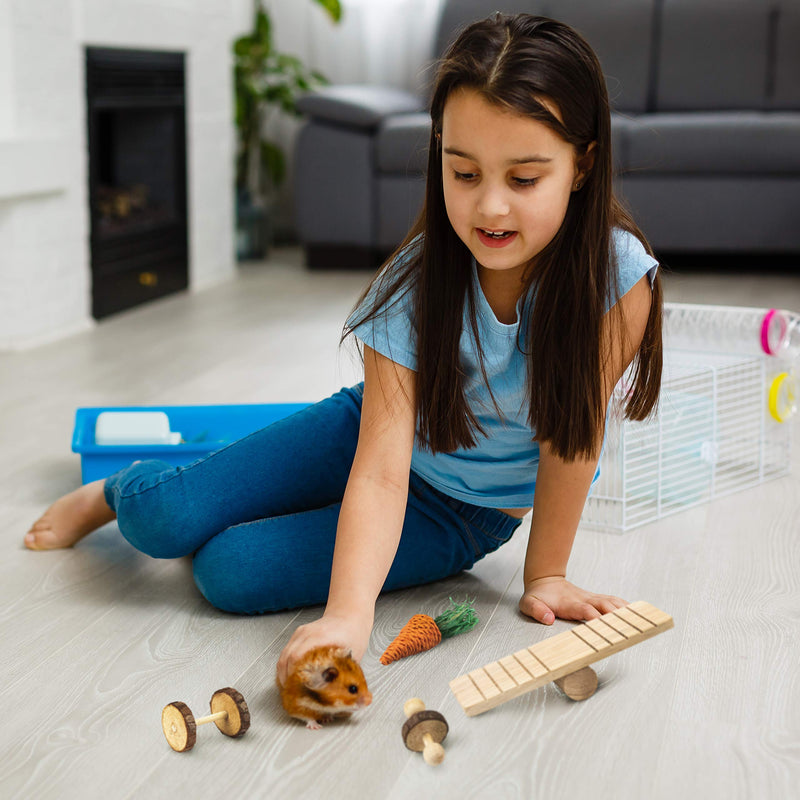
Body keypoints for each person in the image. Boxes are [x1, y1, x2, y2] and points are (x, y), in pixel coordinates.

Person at [24, 14, 662, 686]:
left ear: (582, 165)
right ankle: (114, 490)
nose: (491, 208)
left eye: (524, 180)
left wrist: (548, 574)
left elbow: (572, 441)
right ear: (440, 153)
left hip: (464, 514)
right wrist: (349, 617)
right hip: (364, 438)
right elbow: (382, 469)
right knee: (161, 518)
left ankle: (220, 505)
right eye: (465, 173)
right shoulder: (415, 281)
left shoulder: (617, 285)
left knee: (228, 572)